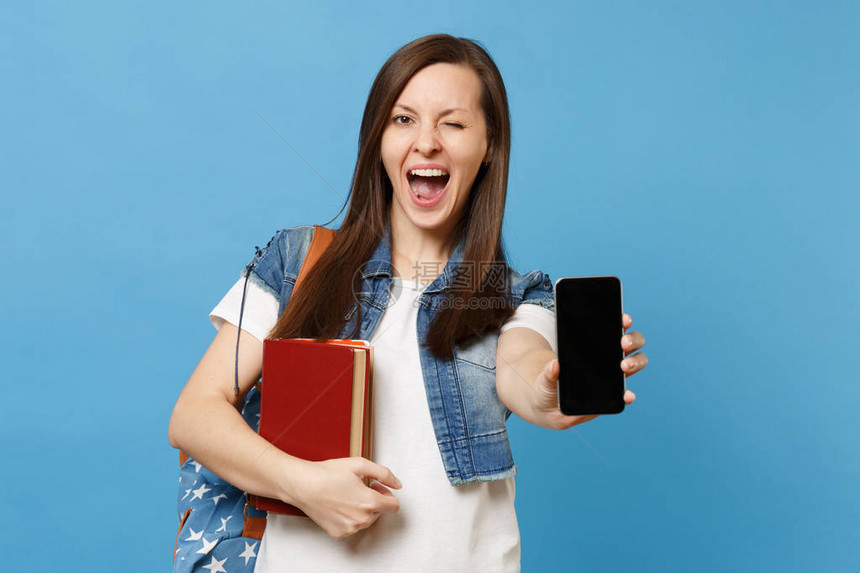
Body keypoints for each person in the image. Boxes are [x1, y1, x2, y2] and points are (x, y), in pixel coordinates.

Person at [168, 33, 648, 572]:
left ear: (489, 146)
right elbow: (194, 414)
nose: (426, 143)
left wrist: (547, 393)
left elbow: (524, 372)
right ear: (378, 139)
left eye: (454, 122)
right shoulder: (297, 262)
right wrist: (300, 485)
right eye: (404, 119)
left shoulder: (514, 295)